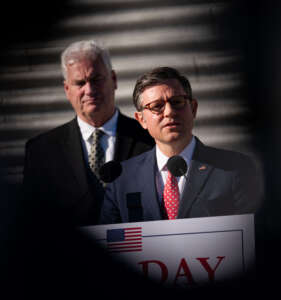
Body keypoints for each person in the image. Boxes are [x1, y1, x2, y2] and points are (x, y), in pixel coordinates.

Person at [100, 66, 262, 224]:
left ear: (193, 108)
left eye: (177, 102)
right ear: (141, 119)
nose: (169, 112)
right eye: (157, 106)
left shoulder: (236, 169)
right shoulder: (121, 179)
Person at [23, 40, 154, 226]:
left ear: (114, 80)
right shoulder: (41, 151)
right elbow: (31, 221)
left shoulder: (150, 138)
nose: (89, 90)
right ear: (67, 90)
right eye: (80, 83)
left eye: (96, 79)